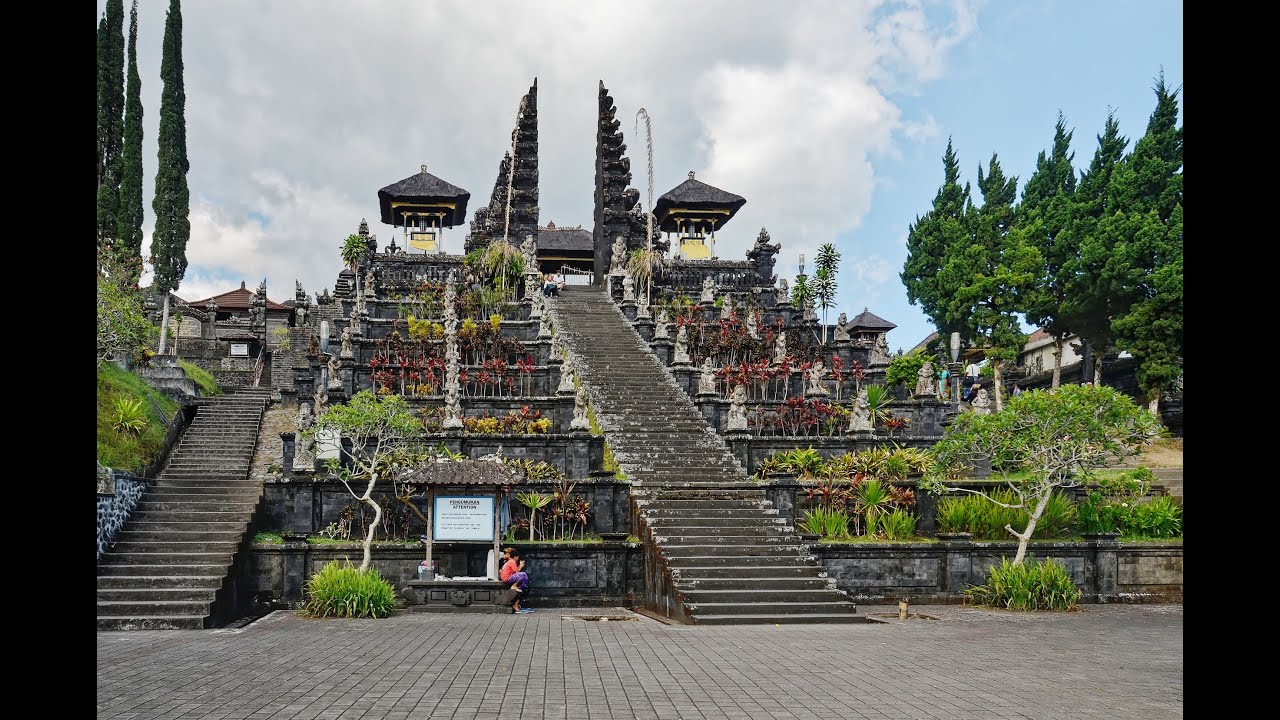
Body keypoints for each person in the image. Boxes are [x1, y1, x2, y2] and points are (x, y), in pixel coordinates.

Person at [500, 547, 531, 613]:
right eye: (517, 557)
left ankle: (516, 604)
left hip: (508, 577)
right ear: (515, 557)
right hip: (507, 578)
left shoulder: (510, 561)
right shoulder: (512, 561)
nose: (518, 559)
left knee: (524, 584)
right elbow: (517, 572)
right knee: (523, 574)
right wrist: (521, 566)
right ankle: (514, 586)